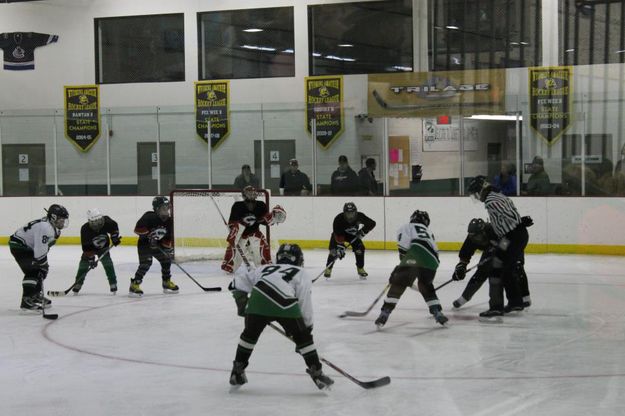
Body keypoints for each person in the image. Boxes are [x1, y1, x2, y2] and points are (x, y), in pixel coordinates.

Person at [227, 243, 334, 390]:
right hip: (285, 304)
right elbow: (304, 303)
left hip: (257, 303)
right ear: (299, 259)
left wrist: (242, 304)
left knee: (249, 336)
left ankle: (237, 372)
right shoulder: (301, 273)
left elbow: (237, 283)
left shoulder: (263, 268)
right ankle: (317, 374)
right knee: (304, 338)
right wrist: (304, 334)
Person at [467, 175, 529, 320]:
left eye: (476, 192)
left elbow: (507, 216)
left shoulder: (491, 200)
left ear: (482, 189)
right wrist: (519, 223)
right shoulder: (497, 195)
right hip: (512, 236)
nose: (477, 196)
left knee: (496, 270)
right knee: (506, 269)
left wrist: (518, 223)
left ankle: (496, 307)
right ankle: (515, 302)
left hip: (511, 237)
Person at [374, 210, 448, 328]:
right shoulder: (429, 232)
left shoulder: (407, 227)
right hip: (432, 262)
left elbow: (404, 247)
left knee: (398, 284)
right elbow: (435, 250)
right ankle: (437, 312)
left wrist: (401, 269)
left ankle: (385, 312)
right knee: (426, 285)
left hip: (415, 255)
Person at [451, 217, 532, 310]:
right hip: (491, 250)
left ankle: (525, 297)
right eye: (472, 237)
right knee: (482, 270)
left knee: (516, 267)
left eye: (477, 236)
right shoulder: (471, 238)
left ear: (484, 232)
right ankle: (464, 298)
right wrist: (461, 267)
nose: (475, 240)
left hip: (511, 247)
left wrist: (498, 250)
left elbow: (509, 237)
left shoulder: (495, 230)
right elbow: (465, 254)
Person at [9, 204, 69, 311]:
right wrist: (41, 262)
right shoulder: (44, 227)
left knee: (41, 270)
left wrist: (42, 263)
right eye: (61, 220)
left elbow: (45, 247)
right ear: (53, 217)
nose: (63, 222)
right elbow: (39, 251)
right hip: (19, 246)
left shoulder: (54, 229)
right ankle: (26, 300)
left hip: (28, 248)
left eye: (64, 220)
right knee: (33, 271)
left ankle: (35, 295)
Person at [221, 186, 286, 274]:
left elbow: (265, 221)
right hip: (240, 236)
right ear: (244, 195)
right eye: (249, 193)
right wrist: (243, 222)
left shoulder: (261, 204)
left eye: (253, 193)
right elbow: (232, 224)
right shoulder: (237, 206)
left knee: (264, 259)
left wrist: (272, 217)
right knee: (229, 267)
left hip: (255, 234)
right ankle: (230, 264)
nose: (251, 195)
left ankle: (264, 265)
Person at [129, 196, 178, 297]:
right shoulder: (149, 216)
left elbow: (167, 237)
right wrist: (148, 237)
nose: (166, 211)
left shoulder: (169, 221)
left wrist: (167, 249)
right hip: (144, 245)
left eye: (167, 208)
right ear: (157, 209)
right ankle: (134, 284)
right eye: (163, 208)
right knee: (146, 263)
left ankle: (166, 282)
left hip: (157, 246)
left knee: (166, 260)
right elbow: (137, 229)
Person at [70, 208, 122, 295]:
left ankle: (113, 283)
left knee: (108, 263)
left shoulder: (107, 221)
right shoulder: (85, 229)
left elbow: (114, 228)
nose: (97, 224)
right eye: (94, 223)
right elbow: (86, 247)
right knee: (84, 264)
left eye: (99, 221)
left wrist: (114, 237)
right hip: (90, 248)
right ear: (90, 222)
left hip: (103, 247)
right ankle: (78, 284)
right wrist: (91, 259)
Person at [323, 202, 376, 279]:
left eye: (352, 213)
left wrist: (362, 232)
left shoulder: (360, 216)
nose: (350, 216)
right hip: (339, 235)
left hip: (352, 236)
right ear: (344, 213)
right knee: (334, 251)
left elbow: (372, 223)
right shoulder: (338, 219)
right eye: (348, 214)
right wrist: (340, 247)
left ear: (356, 212)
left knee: (360, 249)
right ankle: (328, 268)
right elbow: (338, 234)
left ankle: (360, 268)